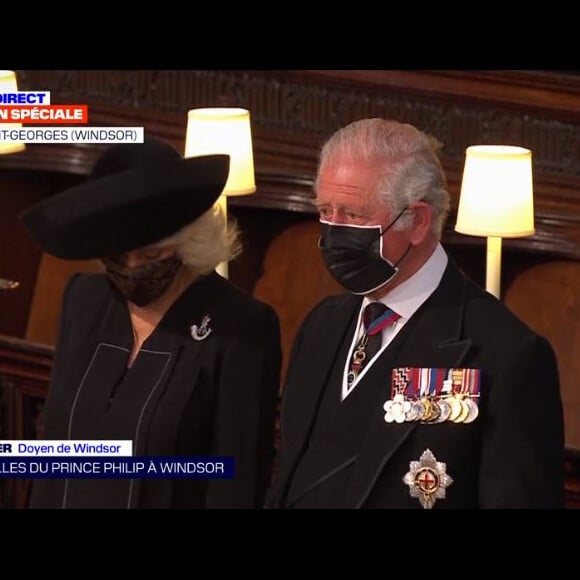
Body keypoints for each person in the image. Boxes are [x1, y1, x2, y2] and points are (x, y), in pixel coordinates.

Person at [265, 118, 565, 509]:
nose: (332, 233)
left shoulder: (506, 355)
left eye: (353, 215)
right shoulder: (322, 323)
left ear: (418, 221)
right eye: (326, 210)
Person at [20, 136, 282, 509]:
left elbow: (236, 485)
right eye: (117, 256)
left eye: (150, 254)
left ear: (187, 240)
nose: (131, 268)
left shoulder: (241, 327)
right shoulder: (84, 299)